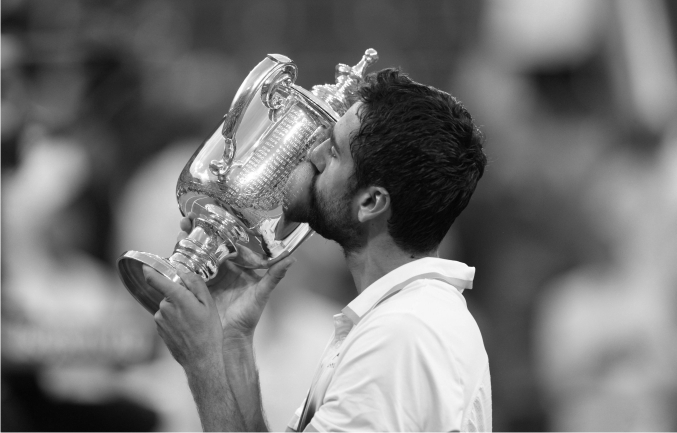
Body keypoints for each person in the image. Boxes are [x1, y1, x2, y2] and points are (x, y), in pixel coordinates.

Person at [143, 68, 491, 431]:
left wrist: (203, 364)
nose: (314, 153)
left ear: (371, 202)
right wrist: (233, 342)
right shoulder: (401, 319)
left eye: (335, 151)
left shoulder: (402, 336)